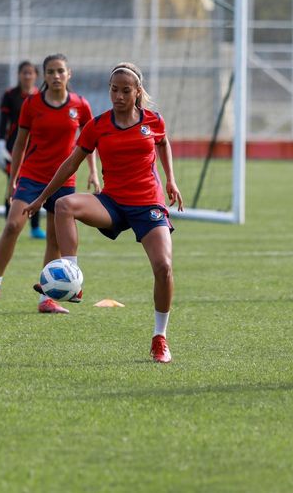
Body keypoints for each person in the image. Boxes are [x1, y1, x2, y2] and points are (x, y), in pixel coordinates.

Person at [23, 62, 184, 363]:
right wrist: (40, 198)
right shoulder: (98, 125)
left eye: (126, 90)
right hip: (112, 201)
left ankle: (159, 338)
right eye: (114, 89)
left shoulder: (153, 120)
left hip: (148, 204)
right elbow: (71, 163)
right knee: (63, 205)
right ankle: (73, 278)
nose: (119, 96)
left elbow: (163, 143)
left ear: (137, 92)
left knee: (163, 268)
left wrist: (171, 179)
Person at [0, 53, 99, 314]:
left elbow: (89, 143)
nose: (56, 76)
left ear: (69, 74)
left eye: (60, 71)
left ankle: (46, 299)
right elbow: (20, 143)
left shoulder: (81, 105)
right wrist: (13, 178)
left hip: (64, 179)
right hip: (32, 177)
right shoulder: (32, 104)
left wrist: (93, 172)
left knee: (54, 238)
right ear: (44, 75)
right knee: (13, 225)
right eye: (50, 72)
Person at [0, 60, 45, 239]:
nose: (27, 76)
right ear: (18, 75)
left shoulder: (41, 97)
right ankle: (9, 225)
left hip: (35, 150)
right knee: (13, 185)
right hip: (13, 148)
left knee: (37, 187)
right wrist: (0, 144)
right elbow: (3, 121)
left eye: (31, 73)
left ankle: (35, 227)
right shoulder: (10, 95)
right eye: (24, 72)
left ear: (36, 76)